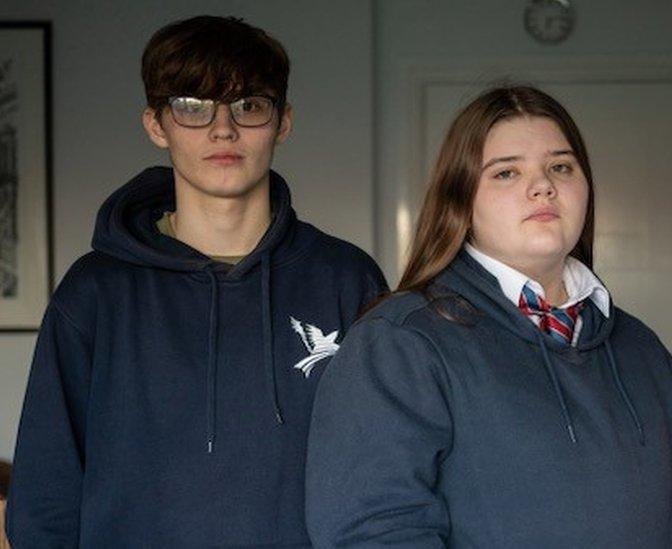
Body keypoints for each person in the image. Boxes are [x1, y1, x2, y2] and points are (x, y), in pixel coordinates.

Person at [5, 16, 387, 546]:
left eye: (249, 105)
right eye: (192, 106)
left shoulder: (347, 278)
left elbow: (384, 470)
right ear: (156, 125)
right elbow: (46, 491)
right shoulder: (95, 292)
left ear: (283, 122)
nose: (222, 128)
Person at [304, 86, 672, 548]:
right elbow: (374, 531)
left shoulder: (642, 350)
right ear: (460, 200)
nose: (543, 186)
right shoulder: (402, 342)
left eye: (560, 166)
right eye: (506, 173)